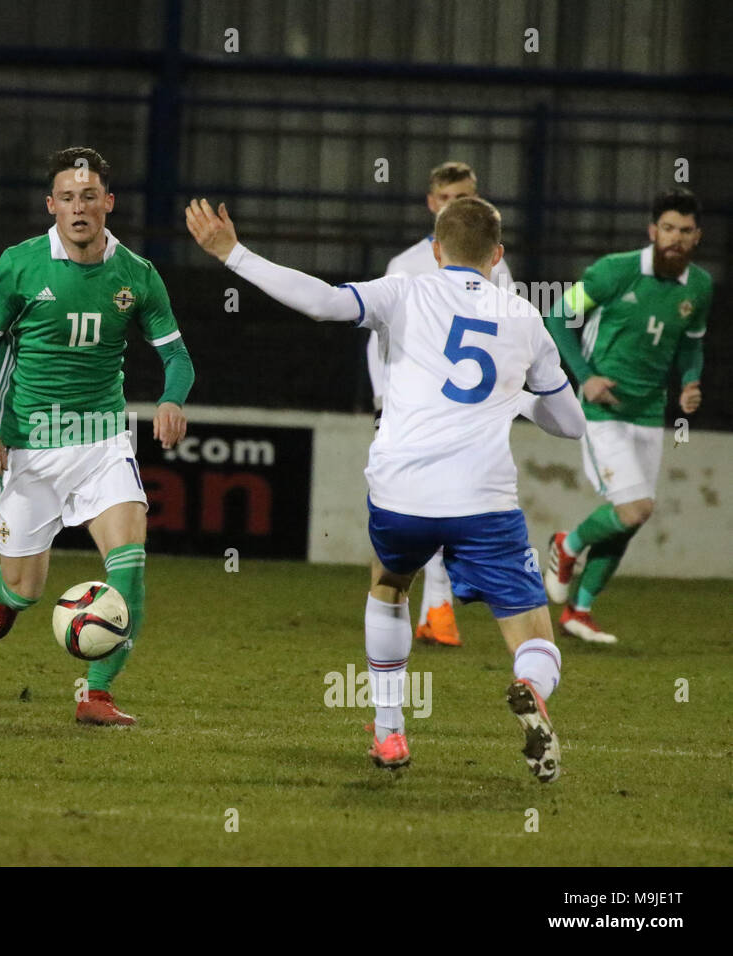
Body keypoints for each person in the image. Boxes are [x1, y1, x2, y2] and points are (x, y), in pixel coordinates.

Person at [187, 195, 585, 782]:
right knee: (532, 633)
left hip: (401, 493)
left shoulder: (405, 290)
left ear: (435, 248)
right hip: (482, 499)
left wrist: (234, 254)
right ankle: (529, 686)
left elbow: (322, 304)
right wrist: (518, 394)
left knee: (390, 584)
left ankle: (390, 734)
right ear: (497, 256)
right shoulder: (526, 317)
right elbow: (571, 425)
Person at [0, 146, 194, 726]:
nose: (79, 207)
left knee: (130, 559)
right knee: (27, 586)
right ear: (52, 206)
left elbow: (178, 357)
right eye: (67, 198)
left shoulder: (137, 276)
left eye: (90, 196)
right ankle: (7, 595)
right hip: (28, 444)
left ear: (109, 203)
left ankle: (96, 694)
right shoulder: (20, 264)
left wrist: (172, 397)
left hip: (101, 439)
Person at [541, 188, 709, 644]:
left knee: (631, 515)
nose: (676, 238)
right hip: (602, 411)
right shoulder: (614, 271)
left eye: (686, 231)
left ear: (697, 237)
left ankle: (579, 611)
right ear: (653, 231)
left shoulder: (699, 286)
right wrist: (586, 376)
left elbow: (691, 344)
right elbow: (558, 316)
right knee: (636, 508)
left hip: (649, 413)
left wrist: (690, 382)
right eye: (668, 229)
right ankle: (567, 545)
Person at [370, 162, 515, 648]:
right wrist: (381, 400)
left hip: (472, 411)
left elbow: (511, 330)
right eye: (449, 196)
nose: (457, 204)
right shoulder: (406, 265)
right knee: (425, 509)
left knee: (451, 507)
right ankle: (435, 606)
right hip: (415, 413)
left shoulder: (497, 267)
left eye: (467, 195)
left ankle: (438, 608)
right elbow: (379, 343)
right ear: (432, 203)